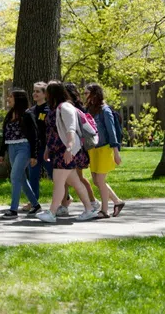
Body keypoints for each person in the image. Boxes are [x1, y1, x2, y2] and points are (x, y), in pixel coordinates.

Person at [37, 81, 98, 223]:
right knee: (76, 182)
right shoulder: (56, 108)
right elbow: (54, 131)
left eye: (46, 91)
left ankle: (51, 213)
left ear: (52, 93)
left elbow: (71, 129)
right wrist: (47, 148)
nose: (45, 95)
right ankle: (89, 209)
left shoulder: (65, 107)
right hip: (59, 150)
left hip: (65, 151)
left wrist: (69, 149)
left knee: (58, 182)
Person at [0, 89, 42, 218]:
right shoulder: (9, 115)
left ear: (18, 99)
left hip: (24, 147)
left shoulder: (27, 115)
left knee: (14, 176)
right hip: (11, 147)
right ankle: (35, 205)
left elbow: (34, 136)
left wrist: (34, 155)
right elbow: (4, 135)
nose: (8, 99)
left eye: (11, 97)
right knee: (21, 178)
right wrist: (2, 153)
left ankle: (13, 209)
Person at [84, 83, 126, 218]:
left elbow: (111, 132)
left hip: (105, 149)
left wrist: (116, 152)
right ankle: (117, 201)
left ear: (95, 94)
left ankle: (104, 210)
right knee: (96, 181)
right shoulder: (89, 110)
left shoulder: (105, 110)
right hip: (93, 149)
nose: (84, 95)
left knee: (100, 180)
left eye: (86, 93)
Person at [59, 82, 100, 215]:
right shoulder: (70, 107)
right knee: (65, 178)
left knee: (78, 177)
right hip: (70, 147)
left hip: (77, 148)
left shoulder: (74, 109)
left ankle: (93, 202)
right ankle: (64, 204)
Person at [23, 81, 52, 211]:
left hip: (47, 149)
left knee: (54, 175)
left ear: (45, 94)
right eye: (34, 91)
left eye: (38, 91)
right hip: (34, 149)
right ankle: (34, 202)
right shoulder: (31, 111)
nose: (34, 94)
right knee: (33, 176)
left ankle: (65, 198)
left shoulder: (49, 109)